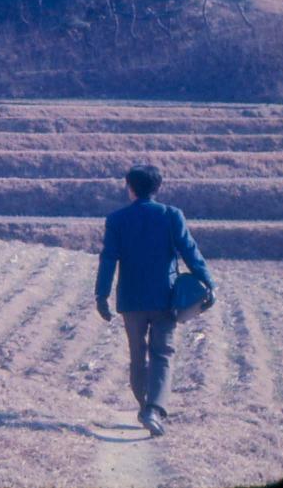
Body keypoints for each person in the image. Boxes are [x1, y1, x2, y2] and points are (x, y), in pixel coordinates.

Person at [95, 164, 216, 437]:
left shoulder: (117, 219)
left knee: (138, 355)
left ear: (130, 187)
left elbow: (108, 259)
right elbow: (190, 251)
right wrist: (209, 283)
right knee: (163, 354)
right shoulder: (172, 215)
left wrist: (101, 294)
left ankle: (144, 406)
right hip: (166, 298)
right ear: (157, 188)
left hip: (131, 299)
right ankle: (154, 409)